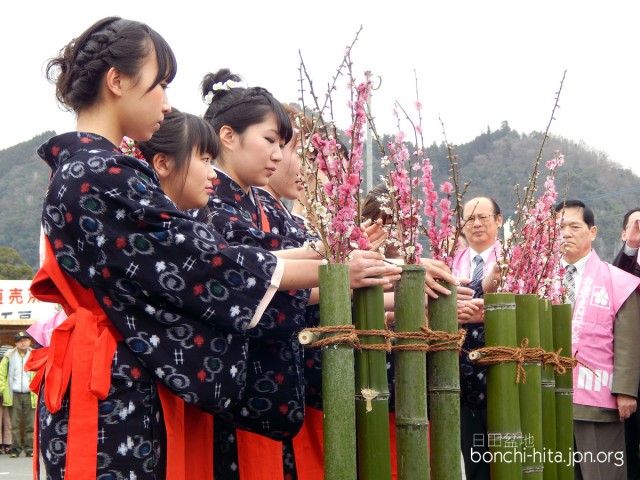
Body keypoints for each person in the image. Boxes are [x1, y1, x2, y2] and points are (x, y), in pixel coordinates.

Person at [32, 17, 401, 479]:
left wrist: (333, 263)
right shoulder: (101, 173)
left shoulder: (90, 169)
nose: (166, 104)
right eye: (160, 84)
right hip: (110, 383)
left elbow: (203, 257)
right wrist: (335, 272)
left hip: (116, 372)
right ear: (118, 81)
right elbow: (202, 265)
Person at [556, 200, 640, 479]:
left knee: (601, 472)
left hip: (597, 398)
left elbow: (628, 340)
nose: (565, 233)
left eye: (574, 226)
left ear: (592, 232)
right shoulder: (537, 278)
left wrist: (626, 389)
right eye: (559, 226)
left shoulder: (616, 279)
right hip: (546, 393)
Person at [451, 196, 503, 480]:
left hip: (503, 371)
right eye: (470, 219)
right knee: (474, 462)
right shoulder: (449, 261)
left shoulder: (516, 259)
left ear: (499, 220)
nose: (477, 224)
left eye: (484, 217)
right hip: (460, 377)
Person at [0, 332, 36, 458]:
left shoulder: (35, 355)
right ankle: (15, 449)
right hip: (13, 393)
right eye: (20, 341)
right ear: (15, 343)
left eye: (25, 340)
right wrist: (3, 389)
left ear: (30, 342)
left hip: (30, 393)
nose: (23, 343)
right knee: (14, 424)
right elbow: (2, 374)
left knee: (30, 424)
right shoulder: (8, 356)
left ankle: (30, 448)